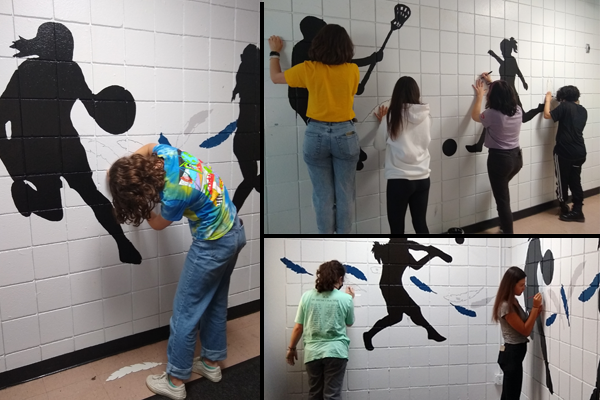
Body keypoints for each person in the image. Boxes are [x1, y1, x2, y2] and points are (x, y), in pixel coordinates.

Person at [108, 143, 246, 400]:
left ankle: (175, 380)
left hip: (213, 246)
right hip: (235, 232)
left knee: (185, 312)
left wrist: (144, 207)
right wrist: (121, 171)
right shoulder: (167, 154)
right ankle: (211, 364)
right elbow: (147, 146)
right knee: (215, 302)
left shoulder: (173, 194)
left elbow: (159, 224)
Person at [269, 26, 360, 234]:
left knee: (322, 196)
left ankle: (325, 239)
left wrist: (275, 52)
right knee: (345, 196)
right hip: (345, 133)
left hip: (316, 133)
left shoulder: (309, 68)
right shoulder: (352, 70)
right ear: (346, 46)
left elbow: (275, 77)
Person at [286, 260, 355, 400]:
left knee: (314, 394)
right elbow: (349, 323)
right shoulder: (346, 299)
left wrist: (291, 349)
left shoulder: (306, 296)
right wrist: (350, 298)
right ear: (340, 278)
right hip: (336, 352)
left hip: (313, 353)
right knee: (332, 395)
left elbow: (298, 327)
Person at [372, 76, 431, 234]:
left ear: (396, 94)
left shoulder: (391, 117)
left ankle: (398, 259)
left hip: (399, 180)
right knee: (420, 224)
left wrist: (383, 123)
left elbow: (378, 145)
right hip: (423, 178)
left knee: (397, 229)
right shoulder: (426, 116)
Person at [471, 72, 523, 233]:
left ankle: (507, 233)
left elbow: (475, 116)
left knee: (502, 201)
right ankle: (504, 227)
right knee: (503, 192)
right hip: (516, 159)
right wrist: (491, 82)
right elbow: (503, 93)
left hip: (500, 161)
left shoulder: (492, 114)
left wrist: (479, 95)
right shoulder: (518, 110)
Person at [492, 267, 543, 400]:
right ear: (511, 285)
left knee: (509, 394)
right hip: (512, 354)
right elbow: (525, 330)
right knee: (512, 395)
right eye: (521, 285)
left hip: (513, 354)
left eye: (524, 284)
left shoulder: (513, 301)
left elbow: (524, 322)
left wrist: (535, 312)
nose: (524, 288)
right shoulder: (506, 306)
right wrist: (535, 308)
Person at [544, 86, 587, 222]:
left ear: (563, 97)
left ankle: (563, 207)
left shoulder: (565, 106)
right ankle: (578, 210)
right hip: (580, 152)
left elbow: (547, 115)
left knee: (562, 180)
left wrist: (548, 100)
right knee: (575, 181)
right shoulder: (583, 110)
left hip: (564, 151)